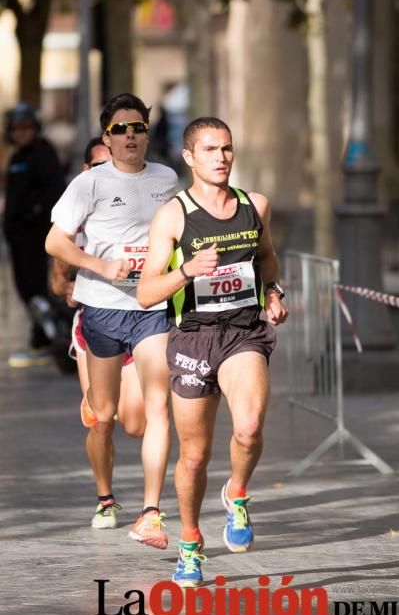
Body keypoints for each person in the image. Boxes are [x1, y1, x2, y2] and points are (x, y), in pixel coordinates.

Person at [137, 117, 288, 587]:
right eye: (209, 150)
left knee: (247, 427)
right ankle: (190, 544)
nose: (220, 157)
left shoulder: (254, 205)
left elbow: (266, 258)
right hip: (194, 336)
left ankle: (237, 493)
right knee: (195, 456)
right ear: (189, 157)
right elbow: (146, 293)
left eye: (226, 148)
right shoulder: (173, 216)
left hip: (243, 332)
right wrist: (187, 272)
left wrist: (274, 292)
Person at [45, 93, 178, 545]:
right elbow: (54, 243)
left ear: (147, 132)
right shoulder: (89, 183)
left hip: (151, 309)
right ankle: (105, 497)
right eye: (120, 129)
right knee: (104, 416)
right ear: (107, 136)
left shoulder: (166, 178)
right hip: (101, 308)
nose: (130, 136)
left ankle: (151, 513)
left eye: (138, 127)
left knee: (147, 417)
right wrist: (102, 267)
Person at [49, 137, 146, 523]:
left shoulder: (142, 206)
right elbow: (58, 280)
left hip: (140, 317)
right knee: (102, 420)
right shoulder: (76, 215)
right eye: (102, 164)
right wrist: (69, 288)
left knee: (137, 424)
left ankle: (116, 398)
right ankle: (105, 498)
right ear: (88, 170)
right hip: (94, 322)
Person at [3, 103, 66, 367]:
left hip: (37, 235)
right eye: (16, 128)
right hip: (18, 238)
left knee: (37, 288)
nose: (21, 133)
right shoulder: (17, 158)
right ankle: (42, 336)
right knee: (25, 289)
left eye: (26, 127)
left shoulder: (44, 153)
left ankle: (47, 339)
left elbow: (54, 192)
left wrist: (33, 215)